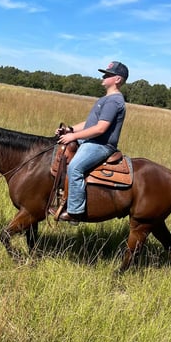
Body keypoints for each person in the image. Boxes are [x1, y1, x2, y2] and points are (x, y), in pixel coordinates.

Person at [54, 61, 128, 222]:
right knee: (58, 153)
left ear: (117, 79)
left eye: (108, 74)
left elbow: (101, 128)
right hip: (90, 141)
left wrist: (74, 137)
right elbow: (90, 125)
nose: (103, 76)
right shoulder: (106, 99)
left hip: (100, 145)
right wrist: (70, 130)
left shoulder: (114, 101)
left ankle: (75, 211)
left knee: (75, 168)